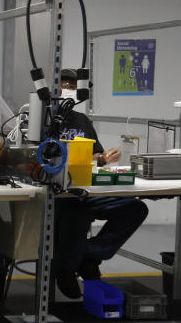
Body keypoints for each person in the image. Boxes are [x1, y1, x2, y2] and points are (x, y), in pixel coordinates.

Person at [54, 68, 149, 299]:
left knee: (135, 208)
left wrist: (104, 157)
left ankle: (89, 257)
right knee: (76, 212)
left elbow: (96, 154)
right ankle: (65, 269)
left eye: (73, 87)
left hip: (89, 188)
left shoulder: (82, 120)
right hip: (60, 192)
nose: (69, 91)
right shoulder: (44, 120)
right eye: (64, 86)